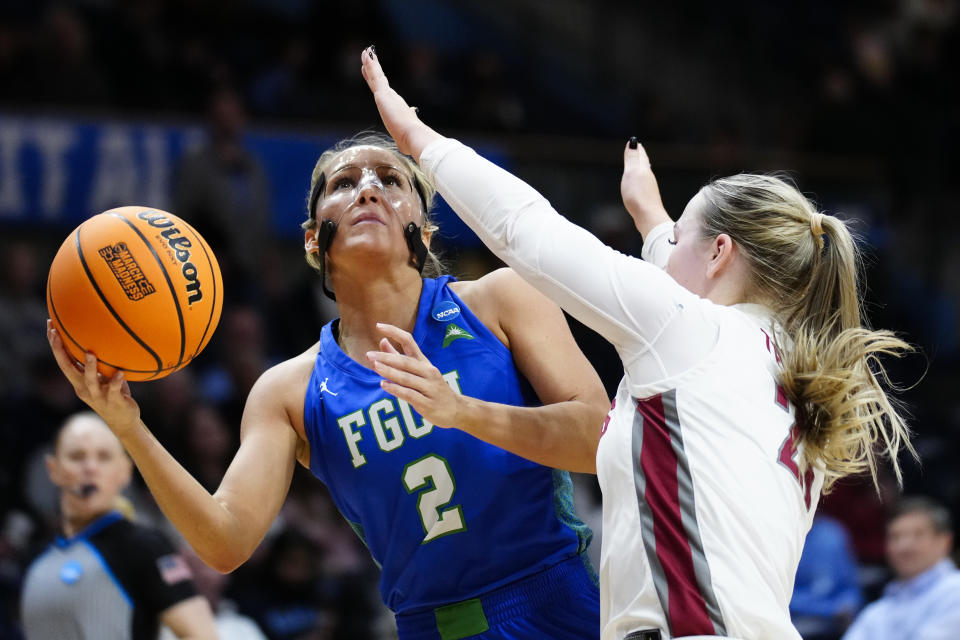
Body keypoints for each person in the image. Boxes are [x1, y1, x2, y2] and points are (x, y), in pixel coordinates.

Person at [359, 46, 914, 640]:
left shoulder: (691, 335)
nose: (660, 248)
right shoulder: (785, 371)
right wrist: (654, 223)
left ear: (722, 251)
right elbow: (684, 290)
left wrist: (417, 138)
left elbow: (528, 232)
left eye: (678, 237)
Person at [46, 131, 609, 637]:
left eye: (391, 180)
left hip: (557, 604)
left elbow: (599, 440)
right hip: (429, 627)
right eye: (345, 183)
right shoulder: (289, 391)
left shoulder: (501, 298)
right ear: (315, 240)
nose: (369, 189)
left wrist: (463, 412)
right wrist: (128, 425)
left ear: (425, 230)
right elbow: (224, 542)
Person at [19, 411, 217, 640]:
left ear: (125, 471)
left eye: (103, 457)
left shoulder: (143, 547)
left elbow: (202, 635)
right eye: (77, 456)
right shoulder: (36, 560)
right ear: (53, 468)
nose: (90, 468)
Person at [842, 497, 960, 640]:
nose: (904, 546)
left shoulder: (955, 591)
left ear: (945, 541)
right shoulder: (878, 610)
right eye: (895, 537)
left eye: (918, 535)